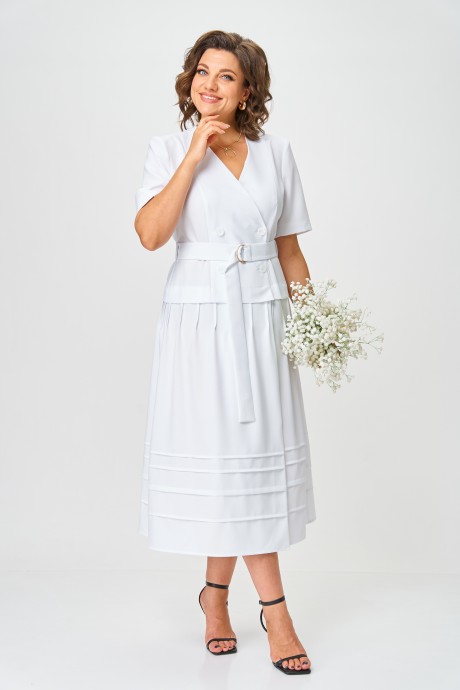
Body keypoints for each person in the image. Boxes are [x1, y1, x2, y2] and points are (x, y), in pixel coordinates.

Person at [134, 29, 316, 675]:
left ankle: (215, 596)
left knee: (244, 465)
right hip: (199, 322)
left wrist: (314, 325)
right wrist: (193, 156)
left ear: (248, 92)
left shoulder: (276, 153)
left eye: (227, 76)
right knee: (222, 461)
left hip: (262, 317)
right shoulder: (166, 149)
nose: (209, 84)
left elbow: (290, 250)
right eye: (202, 72)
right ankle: (277, 612)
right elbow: (151, 235)